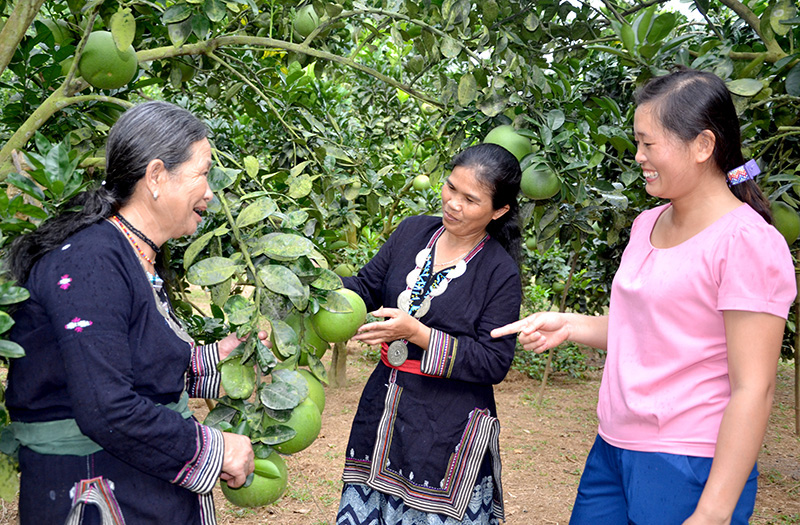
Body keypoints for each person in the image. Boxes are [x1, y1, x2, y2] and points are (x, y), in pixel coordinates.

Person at [492, 67, 797, 525]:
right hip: (613, 447)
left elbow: (755, 387)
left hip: (689, 460)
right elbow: (645, 331)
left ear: (704, 146)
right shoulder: (646, 224)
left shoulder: (746, 242)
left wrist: (713, 511)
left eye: (649, 144)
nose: (638, 156)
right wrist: (570, 324)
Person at [2, 101, 258, 524]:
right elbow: (105, 407)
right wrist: (214, 448)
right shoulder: (88, 261)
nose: (210, 192)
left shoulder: (128, 255)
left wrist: (222, 363)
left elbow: (128, 362)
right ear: (156, 176)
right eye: (203, 173)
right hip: (96, 492)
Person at [335, 142, 523, 525]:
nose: (453, 203)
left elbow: (494, 361)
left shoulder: (499, 272)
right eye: (451, 187)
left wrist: (419, 334)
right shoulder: (413, 232)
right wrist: (312, 283)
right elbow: (366, 286)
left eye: (470, 199)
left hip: (448, 428)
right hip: (384, 409)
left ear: (498, 211)